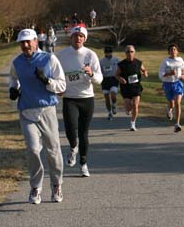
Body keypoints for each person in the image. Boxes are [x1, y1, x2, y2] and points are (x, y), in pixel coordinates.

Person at [9, 28, 66, 205]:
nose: (25, 45)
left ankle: (56, 184)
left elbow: (62, 86)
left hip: (46, 109)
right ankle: (35, 186)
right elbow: (14, 79)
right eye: (22, 43)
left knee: (52, 150)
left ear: (36, 41)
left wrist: (46, 81)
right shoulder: (16, 62)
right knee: (33, 149)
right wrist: (13, 89)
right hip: (27, 111)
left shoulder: (49, 59)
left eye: (28, 42)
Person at [57, 26, 103, 177]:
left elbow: (99, 79)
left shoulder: (90, 55)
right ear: (71, 38)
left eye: (81, 36)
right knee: (70, 129)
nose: (78, 38)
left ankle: (83, 163)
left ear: (85, 38)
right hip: (70, 98)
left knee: (84, 133)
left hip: (86, 98)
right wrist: (58, 87)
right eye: (75, 36)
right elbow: (53, 72)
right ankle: (72, 147)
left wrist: (91, 74)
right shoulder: (61, 55)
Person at [115, 45, 148, 131]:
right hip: (125, 87)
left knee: (135, 105)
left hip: (136, 87)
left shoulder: (138, 62)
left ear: (134, 52)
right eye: (128, 52)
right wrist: (120, 78)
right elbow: (116, 75)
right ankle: (127, 109)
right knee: (128, 107)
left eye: (131, 51)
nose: (130, 53)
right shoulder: (121, 64)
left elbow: (144, 70)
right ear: (125, 53)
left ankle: (133, 123)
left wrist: (145, 73)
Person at [158, 43, 184, 132]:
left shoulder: (180, 60)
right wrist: (170, 74)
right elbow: (161, 75)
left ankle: (177, 124)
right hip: (168, 84)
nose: (173, 51)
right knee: (172, 103)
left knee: (177, 103)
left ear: (177, 51)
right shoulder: (165, 62)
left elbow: (183, 67)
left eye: (174, 49)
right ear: (168, 52)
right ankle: (169, 110)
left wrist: (183, 75)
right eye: (171, 50)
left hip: (178, 83)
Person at [100, 46, 119, 120]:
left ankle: (114, 104)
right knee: (107, 98)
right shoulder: (101, 61)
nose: (108, 53)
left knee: (113, 95)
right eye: (107, 52)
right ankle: (109, 113)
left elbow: (121, 68)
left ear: (111, 52)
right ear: (105, 53)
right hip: (105, 80)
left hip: (113, 79)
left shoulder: (116, 60)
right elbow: (99, 71)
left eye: (109, 52)